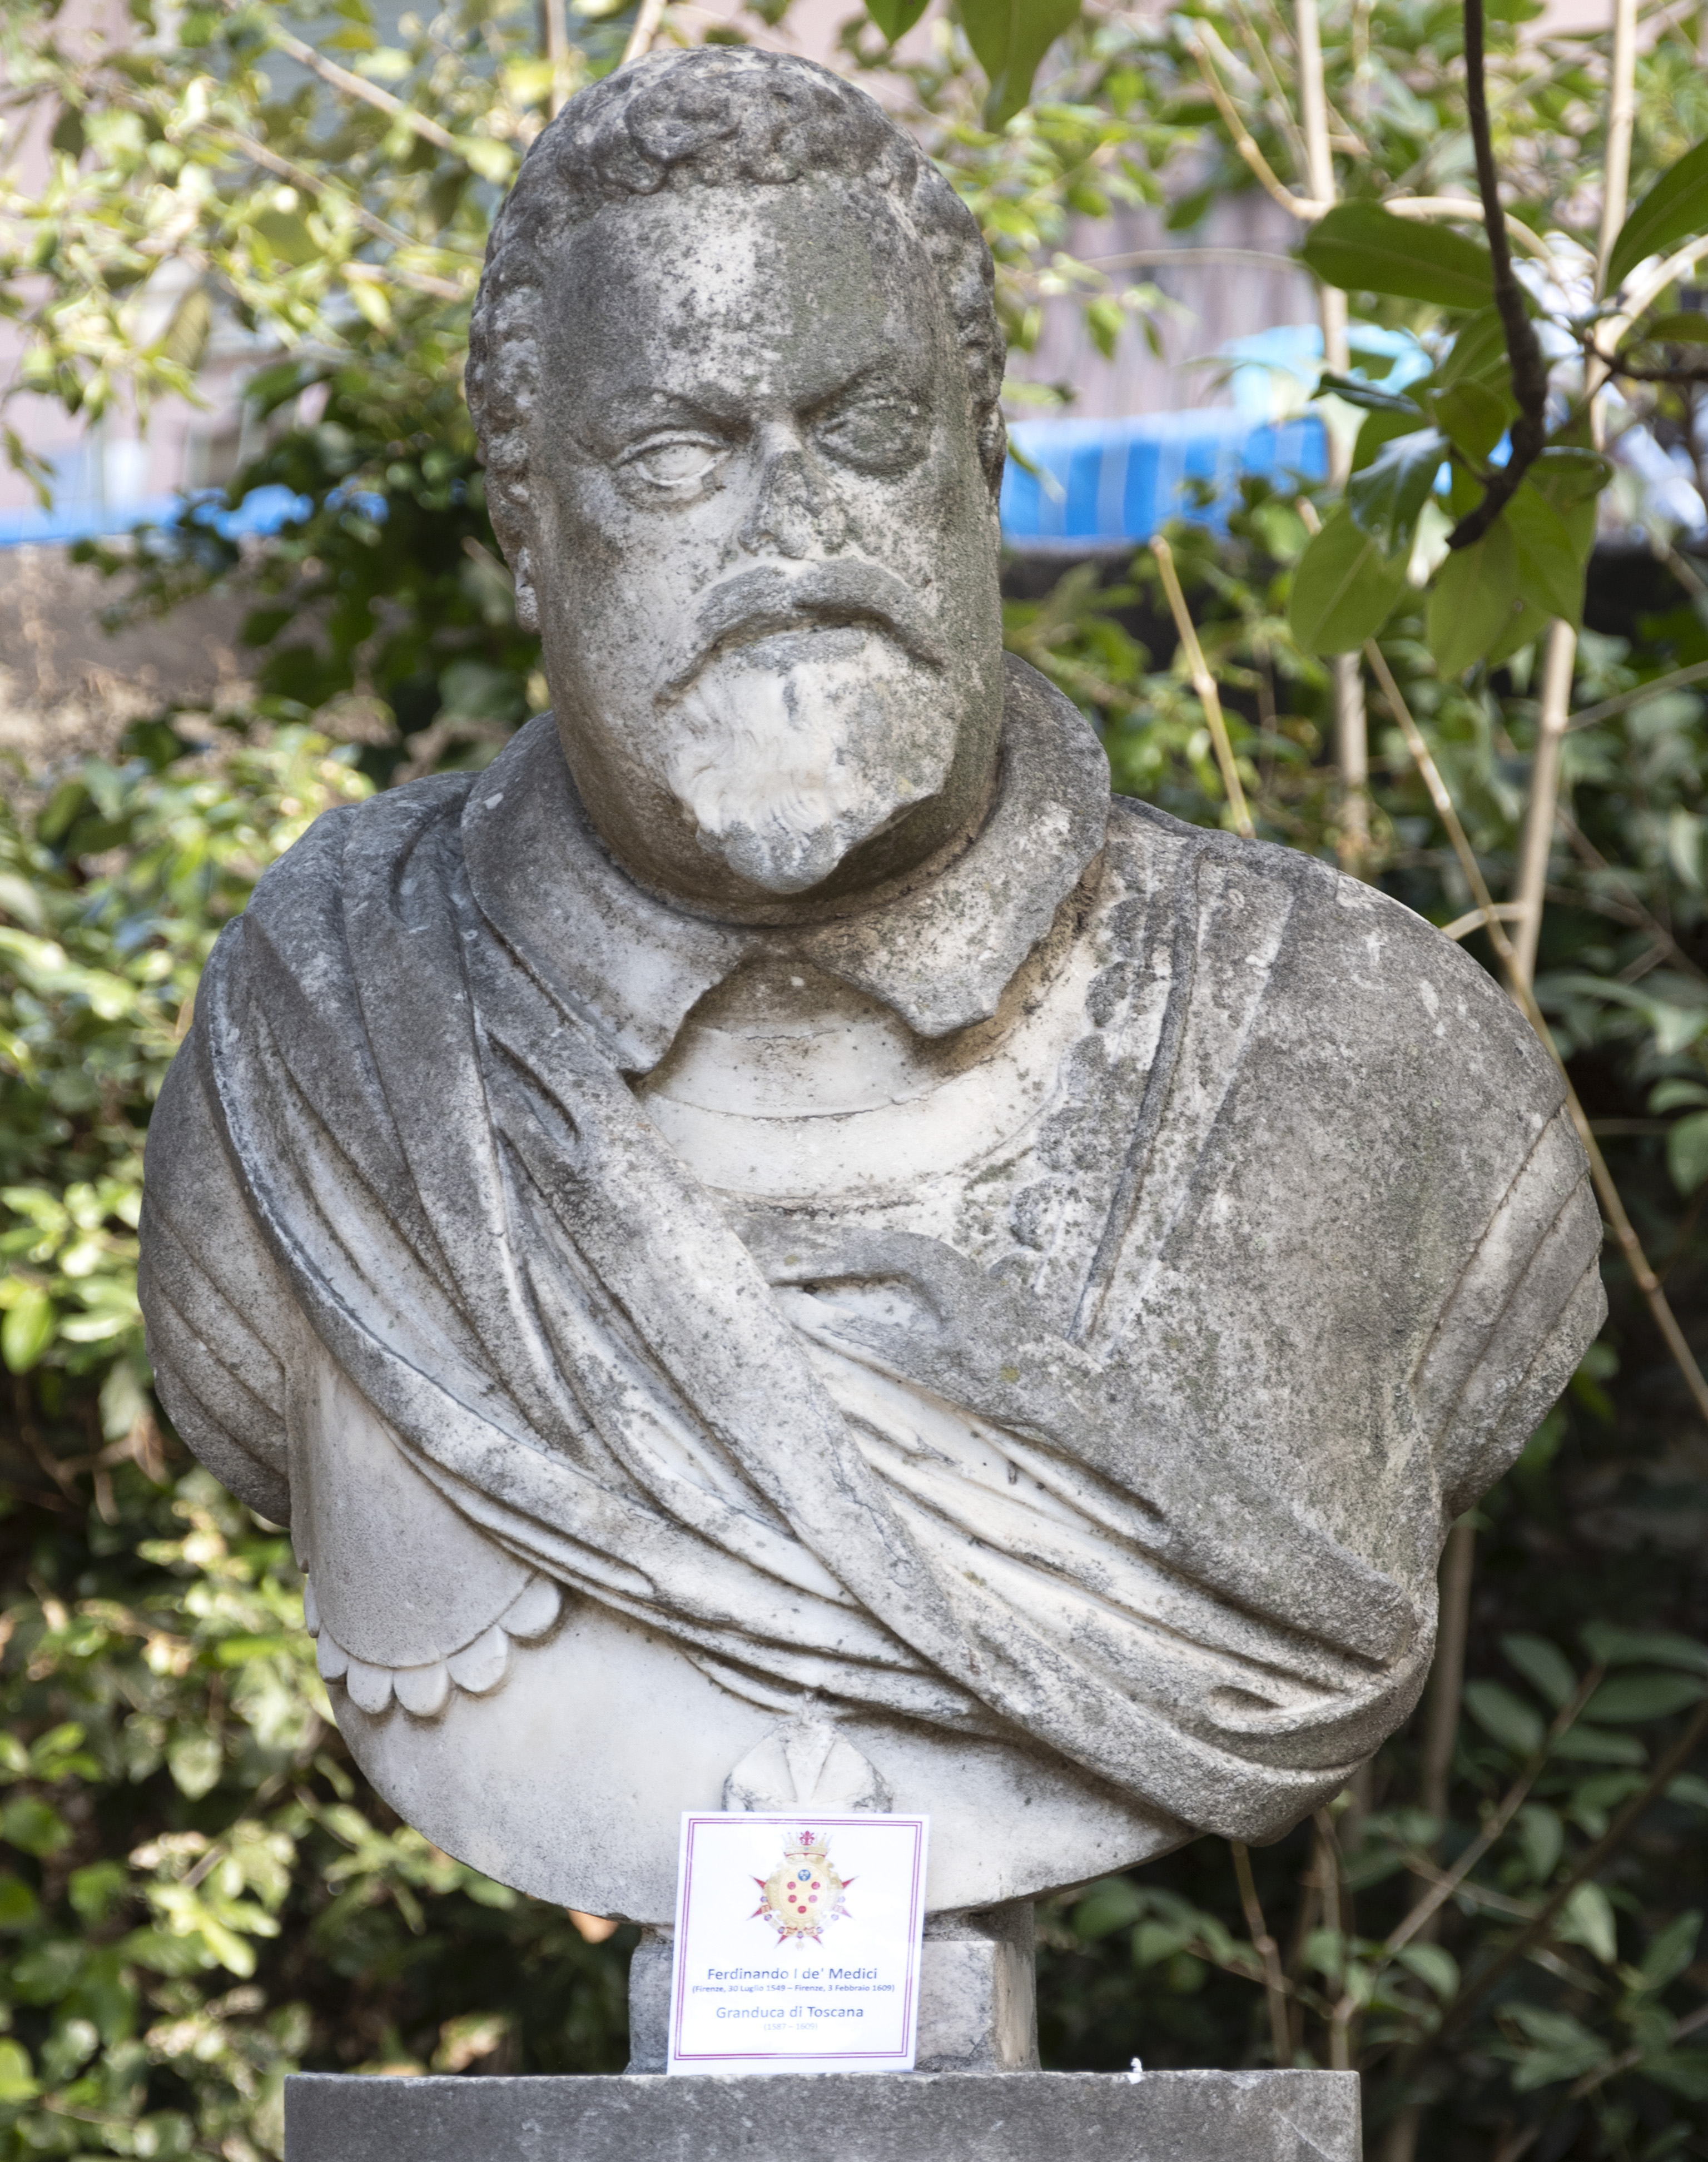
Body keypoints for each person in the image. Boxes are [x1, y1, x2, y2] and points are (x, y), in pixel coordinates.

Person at [138, 46, 1603, 1924]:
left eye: (869, 429)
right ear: (528, 529)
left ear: (982, 466)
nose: (791, 529)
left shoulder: (1373, 1060)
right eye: (676, 457)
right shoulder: (323, 1052)